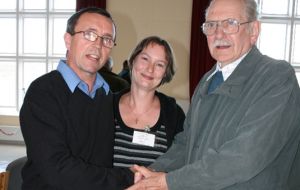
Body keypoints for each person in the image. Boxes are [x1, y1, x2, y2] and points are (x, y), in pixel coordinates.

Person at [127, 0, 300, 189]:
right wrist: (152, 172)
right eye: (211, 25)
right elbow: (187, 143)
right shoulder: (207, 80)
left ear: (254, 30)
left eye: (230, 23)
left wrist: (169, 181)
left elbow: (245, 157)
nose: (219, 33)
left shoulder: (276, 77)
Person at [19, 7, 133, 190]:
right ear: (68, 40)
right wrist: (128, 177)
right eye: (89, 34)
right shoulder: (43, 92)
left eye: (107, 39)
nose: (98, 45)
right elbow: (58, 170)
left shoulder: (105, 95)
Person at [113, 36, 185, 168]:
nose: (150, 69)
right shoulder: (106, 107)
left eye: (159, 64)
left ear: (165, 73)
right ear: (133, 60)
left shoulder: (174, 115)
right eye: (145, 59)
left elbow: (180, 165)